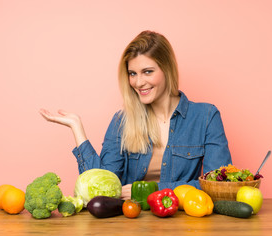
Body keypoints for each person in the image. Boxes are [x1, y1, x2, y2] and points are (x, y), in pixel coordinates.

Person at [40, 30, 232, 199]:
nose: (138, 82)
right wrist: (77, 129)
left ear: (167, 69)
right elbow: (101, 188)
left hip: (185, 224)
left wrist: (148, 190)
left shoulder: (206, 117)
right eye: (132, 74)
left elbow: (217, 186)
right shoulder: (122, 121)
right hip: (132, 223)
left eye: (147, 72)